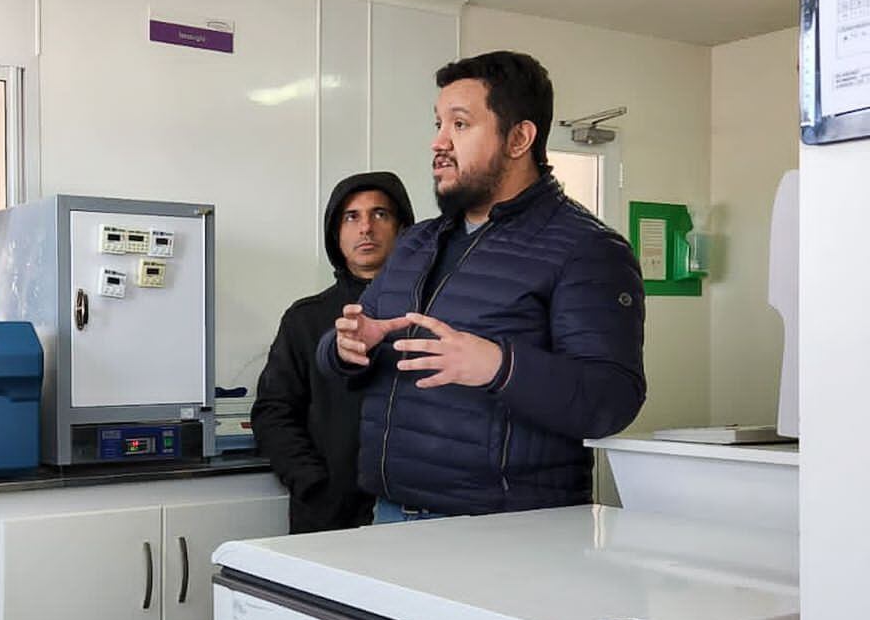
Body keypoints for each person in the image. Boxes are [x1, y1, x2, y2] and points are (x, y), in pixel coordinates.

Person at [326, 50, 645, 524]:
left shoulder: (587, 249)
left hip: (506, 528)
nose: (438, 143)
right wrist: (346, 347)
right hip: (392, 514)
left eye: (460, 125)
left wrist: (497, 365)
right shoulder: (417, 242)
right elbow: (347, 347)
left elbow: (612, 400)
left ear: (519, 138)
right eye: (438, 124)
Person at [252, 172, 414, 532]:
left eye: (380, 214)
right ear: (336, 234)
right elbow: (273, 412)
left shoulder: (428, 313)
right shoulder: (305, 319)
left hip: (415, 514)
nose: (366, 228)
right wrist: (313, 483)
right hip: (328, 517)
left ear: (403, 227)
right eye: (351, 217)